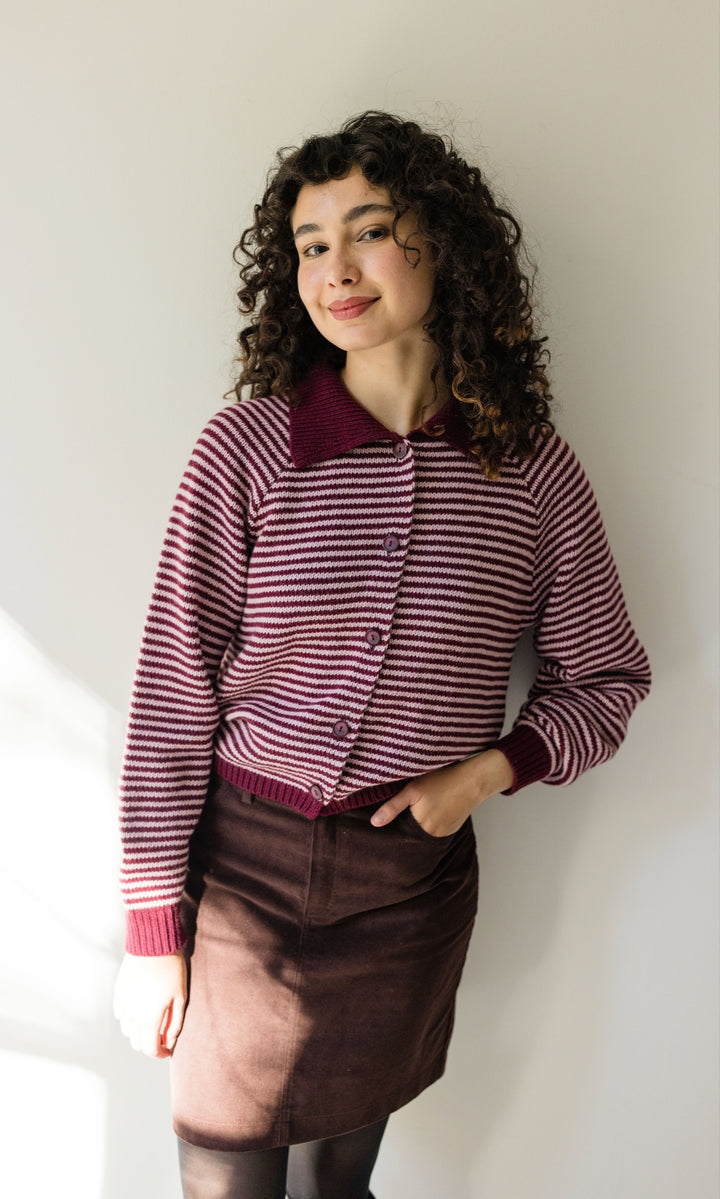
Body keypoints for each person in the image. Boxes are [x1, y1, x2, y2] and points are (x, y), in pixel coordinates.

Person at [113, 111, 651, 1199]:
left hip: (406, 889)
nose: (335, 269)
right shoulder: (250, 449)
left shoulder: (531, 472)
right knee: (224, 1186)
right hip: (240, 880)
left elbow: (608, 676)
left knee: (333, 1189)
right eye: (312, 246)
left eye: (367, 231)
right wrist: (149, 929)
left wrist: (486, 772)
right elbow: (171, 701)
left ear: (441, 244)